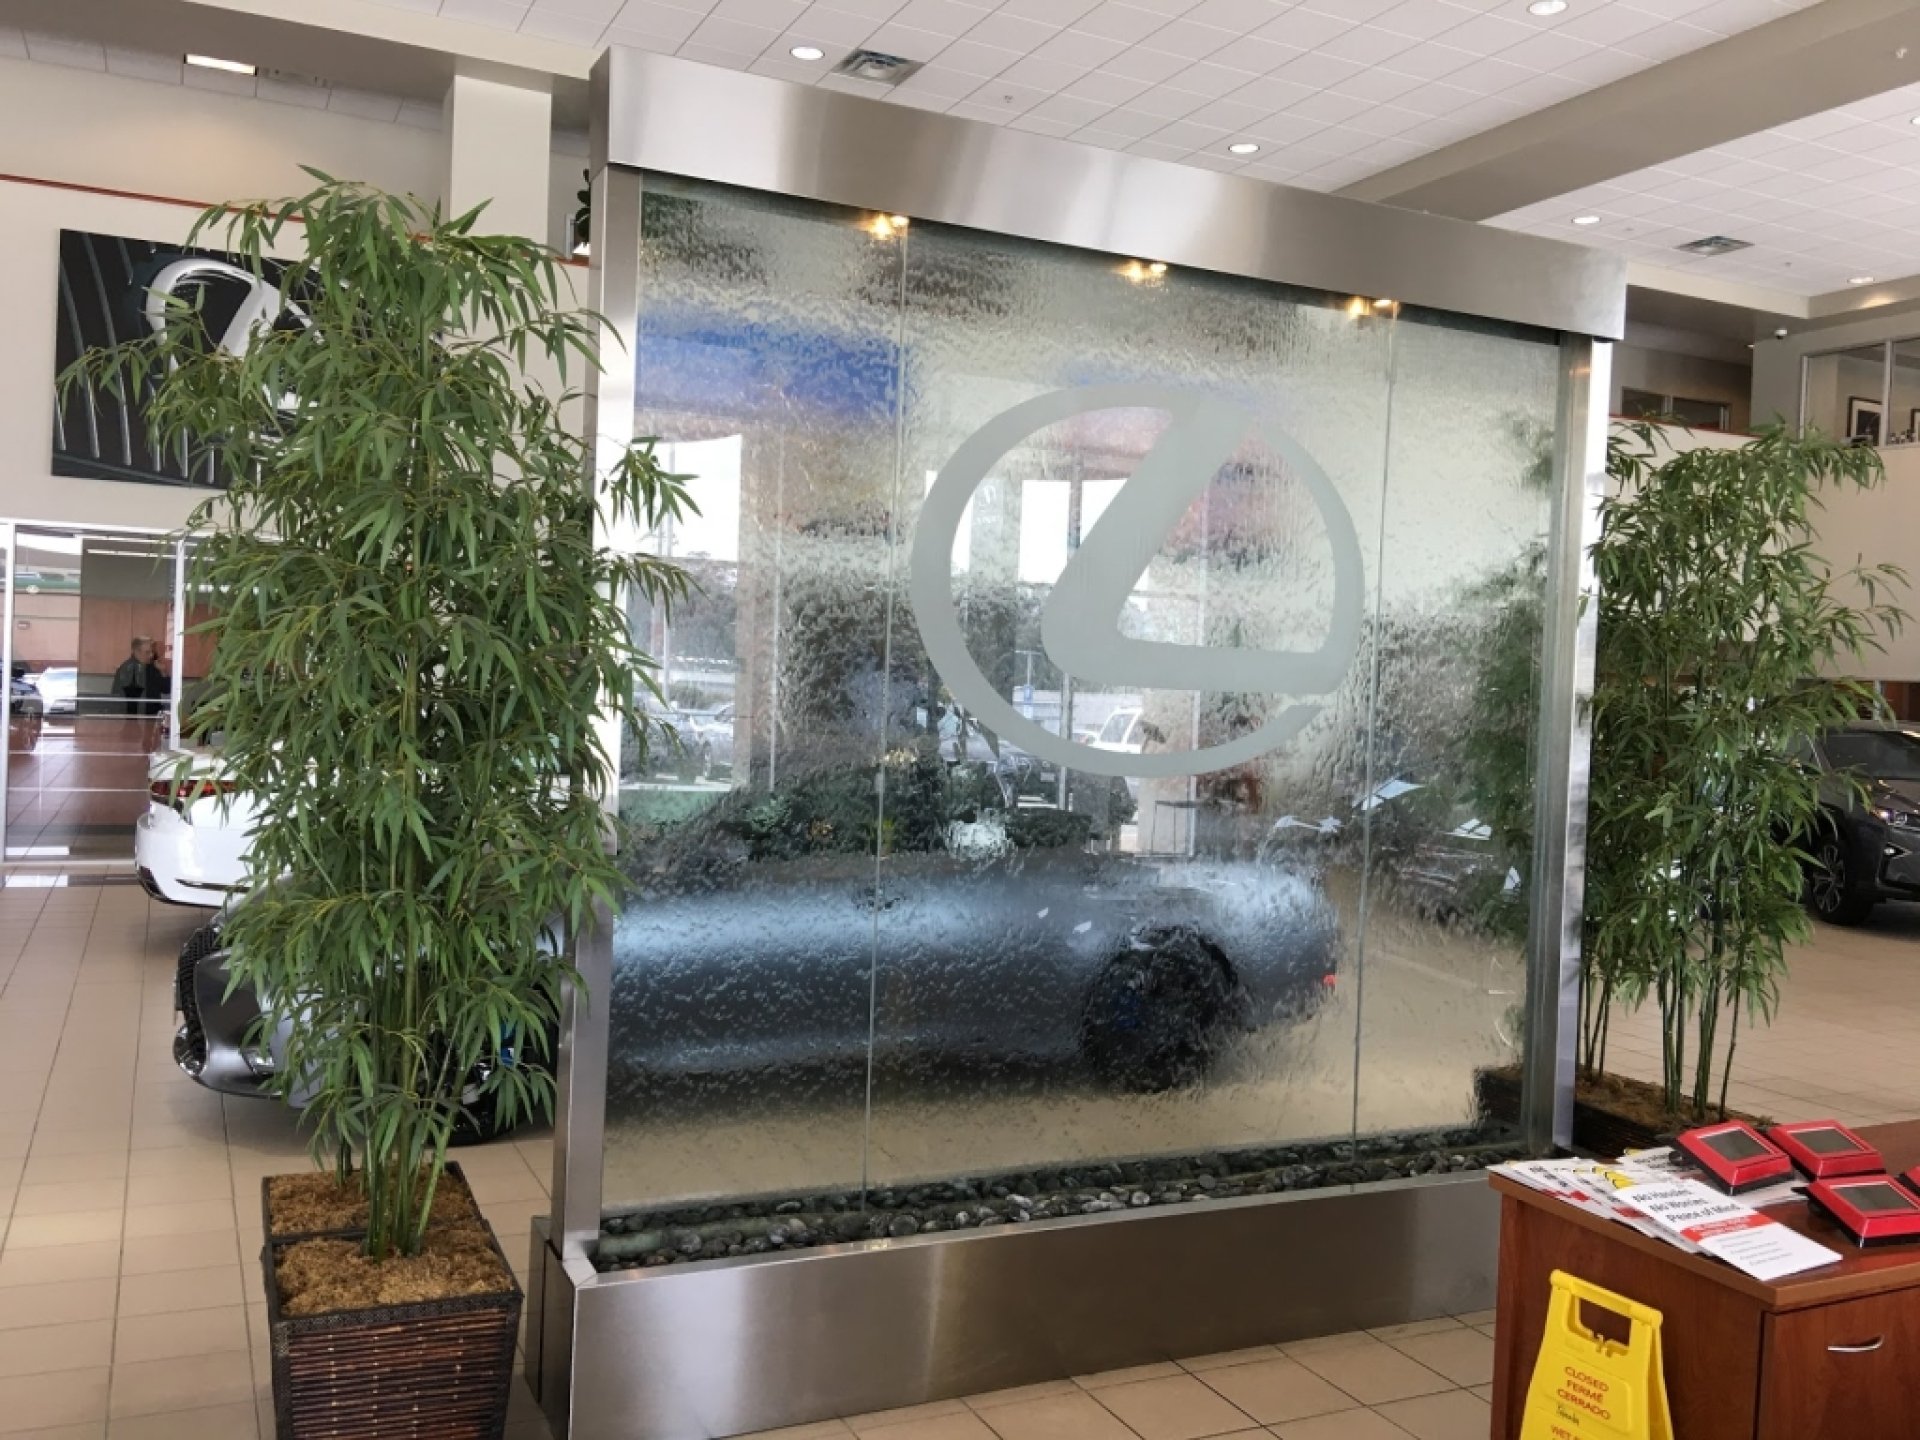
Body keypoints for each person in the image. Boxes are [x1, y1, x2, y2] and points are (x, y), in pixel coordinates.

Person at [112, 636, 156, 717]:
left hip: (135, 716)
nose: (151, 655)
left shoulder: (144, 667)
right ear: (137, 651)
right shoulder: (131, 668)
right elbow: (133, 699)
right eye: (147, 652)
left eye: (152, 652)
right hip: (131, 717)